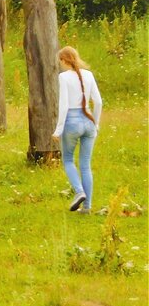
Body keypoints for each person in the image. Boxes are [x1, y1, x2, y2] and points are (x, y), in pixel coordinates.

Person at [53, 46, 103, 213]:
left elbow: (64, 105)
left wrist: (58, 130)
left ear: (64, 60)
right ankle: (87, 207)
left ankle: (79, 191)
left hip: (72, 122)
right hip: (88, 121)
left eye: (60, 61)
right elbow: (98, 102)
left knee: (67, 160)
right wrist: (95, 123)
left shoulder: (63, 77)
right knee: (85, 165)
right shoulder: (88, 75)